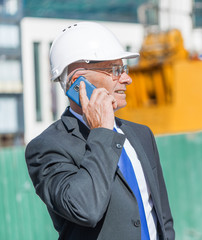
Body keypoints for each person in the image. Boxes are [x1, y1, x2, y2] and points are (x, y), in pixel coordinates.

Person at [25, 22, 175, 240]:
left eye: (124, 69)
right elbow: (85, 209)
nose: (127, 78)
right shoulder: (46, 147)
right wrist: (102, 132)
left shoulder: (142, 135)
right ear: (78, 83)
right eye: (115, 70)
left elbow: (162, 217)